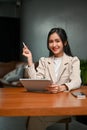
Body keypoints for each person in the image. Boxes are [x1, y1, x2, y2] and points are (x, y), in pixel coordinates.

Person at [22, 27, 81, 130]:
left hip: (64, 106)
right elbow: (36, 80)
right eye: (51, 42)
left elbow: (77, 81)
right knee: (34, 116)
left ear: (65, 42)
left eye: (57, 41)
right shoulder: (44, 61)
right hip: (45, 104)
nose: (54, 45)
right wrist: (30, 59)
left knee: (35, 118)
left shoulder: (73, 61)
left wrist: (62, 87)